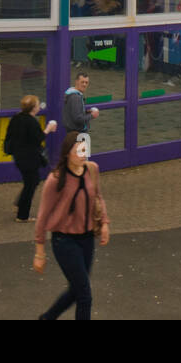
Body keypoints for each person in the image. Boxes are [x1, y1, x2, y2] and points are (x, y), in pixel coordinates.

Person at [33, 132, 110, 320]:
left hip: (86, 239)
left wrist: (105, 223)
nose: (83, 155)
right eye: (78, 151)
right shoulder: (55, 179)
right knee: (84, 294)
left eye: (85, 150)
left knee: (77, 290)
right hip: (64, 241)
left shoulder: (92, 170)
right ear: (67, 153)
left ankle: (47, 318)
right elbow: (42, 217)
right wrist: (39, 252)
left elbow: (98, 196)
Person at [3, 96, 58, 222]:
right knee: (31, 184)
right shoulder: (32, 122)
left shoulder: (16, 118)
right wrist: (48, 129)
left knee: (32, 181)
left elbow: (10, 136)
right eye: (38, 105)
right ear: (33, 108)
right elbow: (38, 138)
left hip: (19, 156)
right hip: (29, 158)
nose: (39, 106)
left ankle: (19, 204)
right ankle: (22, 215)